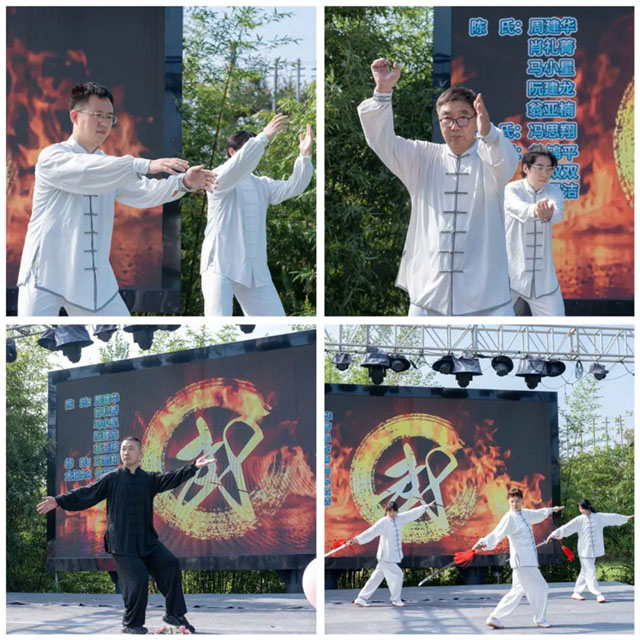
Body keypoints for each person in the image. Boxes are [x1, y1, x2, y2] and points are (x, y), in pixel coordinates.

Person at [18, 82, 216, 316]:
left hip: (95, 281)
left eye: (109, 117)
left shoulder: (111, 167)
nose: (104, 123)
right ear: (75, 116)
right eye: (97, 115)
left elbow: (144, 192)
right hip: (44, 277)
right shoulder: (52, 156)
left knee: (122, 328)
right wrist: (144, 165)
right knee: (37, 333)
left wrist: (184, 183)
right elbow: (86, 170)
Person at [358, 59, 519, 316]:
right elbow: (382, 141)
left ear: (476, 120)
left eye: (463, 118)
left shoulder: (490, 158)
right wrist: (382, 92)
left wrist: (488, 133)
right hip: (429, 297)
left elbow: (506, 162)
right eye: (447, 119)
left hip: (487, 301)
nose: (455, 126)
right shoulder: (423, 157)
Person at [37, 436, 216, 634]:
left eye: (131, 448)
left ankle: (174, 614)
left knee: (170, 563)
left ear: (140, 453)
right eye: (123, 449)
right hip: (122, 544)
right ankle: (131, 624)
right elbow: (87, 492)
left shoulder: (148, 479)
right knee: (138, 578)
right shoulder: (112, 479)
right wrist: (59, 500)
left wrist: (193, 467)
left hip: (147, 541)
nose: (126, 452)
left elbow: (170, 478)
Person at [200, 115, 314, 316]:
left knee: (278, 326)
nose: (254, 155)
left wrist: (304, 157)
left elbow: (294, 186)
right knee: (216, 327)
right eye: (249, 148)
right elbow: (239, 166)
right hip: (219, 266)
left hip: (254, 271)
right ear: (232, 152)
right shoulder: (216, 177)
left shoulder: (262, 184)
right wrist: (264, 137)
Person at [473, 488, 564, 629]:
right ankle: (540, 619)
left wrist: (552, 510)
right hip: (523, 562)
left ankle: (494, 617)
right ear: (509, 502)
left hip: (527, 561)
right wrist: (483, 543)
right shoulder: (509, 518)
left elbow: (538, 514)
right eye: (512, 502)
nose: (514, 504)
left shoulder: (525, 513)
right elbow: (497, 533)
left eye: (517, 501)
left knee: (516, 591)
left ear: (522, 501)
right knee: (541, 587)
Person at [505, 145, 565, 315]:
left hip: (544, 283)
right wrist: (537, 211)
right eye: (539, 168)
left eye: (549, 169)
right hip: (510, 278)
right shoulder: (511, 189)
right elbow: (518, 208)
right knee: (493, 325)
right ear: (526, 168)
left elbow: (556, 213)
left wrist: (548, 214)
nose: (545, 173)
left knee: (558, 326)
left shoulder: (554, 192)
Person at [348, 499, 434, 608]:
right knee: (398, 574)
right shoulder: (383, 522)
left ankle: (361, 599)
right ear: (386, 511)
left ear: (397, 511)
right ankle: (396, 600)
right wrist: (357, 539)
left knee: (376, 578)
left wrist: (426, 506)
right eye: (390, 511)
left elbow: (412, 513)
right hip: (385, 557)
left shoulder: (400, 518)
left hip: (389, 557)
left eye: (394, 511)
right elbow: (371, 532)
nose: (392, 514)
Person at [546, 499, 633, 603]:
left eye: (581, 507)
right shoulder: (579, 520)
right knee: (591, 571)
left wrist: (625, 518)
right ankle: (598, 594)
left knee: (584, 572)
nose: (580, 509)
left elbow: (612, 517)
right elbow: (566, 528)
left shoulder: (599, 517)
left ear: (587, 507)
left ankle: (576, 592)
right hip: (584, 550)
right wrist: (553, 535)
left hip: (594, 551)